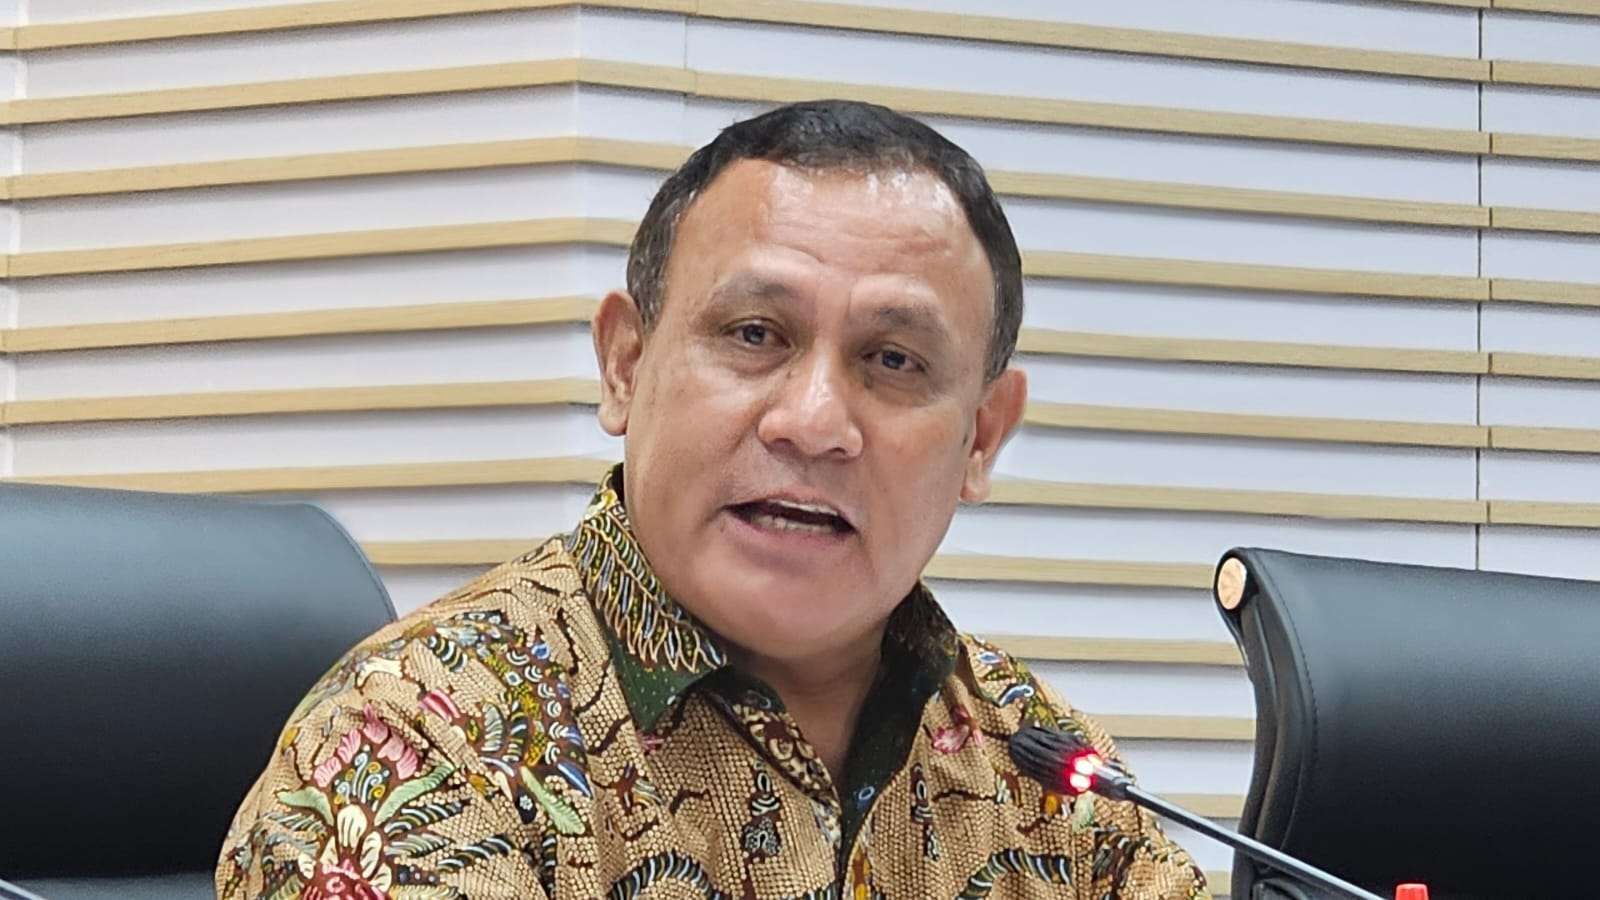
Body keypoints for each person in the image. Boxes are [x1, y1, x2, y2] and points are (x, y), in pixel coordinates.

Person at [216, 99, 1207, 900]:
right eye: (754, 335)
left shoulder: (1042, 769)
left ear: (980, 439)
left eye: (893, 360)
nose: (814, 422)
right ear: (625, 364)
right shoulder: (420, 742)